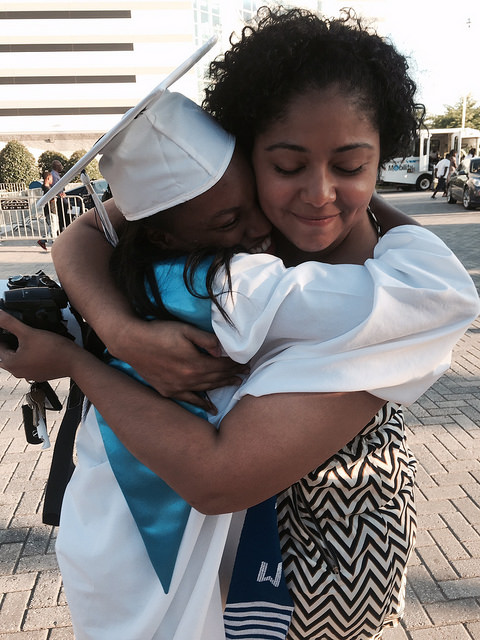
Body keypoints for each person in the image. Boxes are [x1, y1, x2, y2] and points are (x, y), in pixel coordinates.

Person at [1, 7, 479, 640]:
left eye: (350, 164)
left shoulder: (371, 291)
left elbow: (217, 477)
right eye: (285, 166)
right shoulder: (221, 214)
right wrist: (123, 332)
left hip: (315, 550)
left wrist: (80, 359)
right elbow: (89, 229)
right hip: (190, 537)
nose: (317, 195)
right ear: (247, 153)